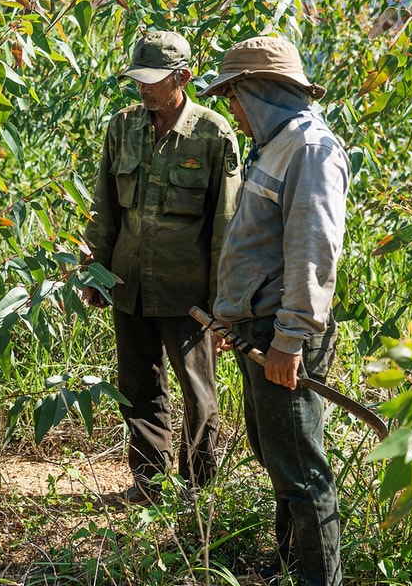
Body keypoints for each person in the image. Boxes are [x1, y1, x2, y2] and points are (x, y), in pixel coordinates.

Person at [200, 36, 350, 586]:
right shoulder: (279, 143)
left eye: (235, 98)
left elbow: (313, 250)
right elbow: (258, 245)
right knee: (274, 451)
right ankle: (291, 562)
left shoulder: (310, 149)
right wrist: (230, 314)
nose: (233, 112)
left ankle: (320, 579)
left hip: (283, 333)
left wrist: (289, 340)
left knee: (300, 469)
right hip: (258, 329)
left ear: (258, 91)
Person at [83, 30, 241, 503]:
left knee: (199, 395)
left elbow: (226, 226)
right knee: (138, 385)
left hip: (187, 294)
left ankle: (198, 490)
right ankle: (150, 482)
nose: (143, 88)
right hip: (129, 284)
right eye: (137, 78)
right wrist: (96, 272)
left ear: (182, 78)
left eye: (153, 80)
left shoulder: (214, 134)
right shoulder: (123, 126)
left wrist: (223, 305)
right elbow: (105, 207)